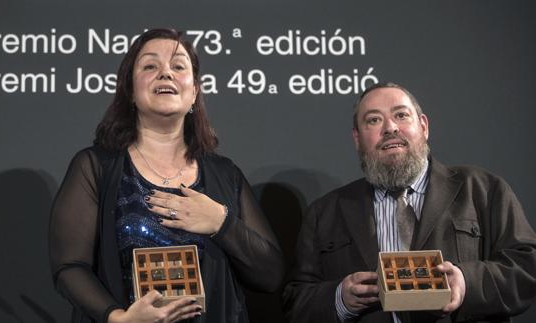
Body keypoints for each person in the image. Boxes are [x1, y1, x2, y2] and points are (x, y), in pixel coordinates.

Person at [49, 28, 284, 323]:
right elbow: (70, 266)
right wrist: (117, 318)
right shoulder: (96, 166)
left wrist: (221, 223)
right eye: (150, 66)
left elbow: (270, 276)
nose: (166, 74)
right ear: (131, 91)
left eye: (178, 67)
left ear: (194, 92)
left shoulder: (225, 174)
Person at [282, 82, 536, 322]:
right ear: (357, 139)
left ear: (424, 126)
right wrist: (340, 299)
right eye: (373, 120)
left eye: (401, 115)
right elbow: (296, 303)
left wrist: (466, 282)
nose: (390, 127)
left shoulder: (483, 190)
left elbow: (527, 267)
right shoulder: (325, 212)